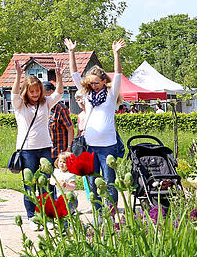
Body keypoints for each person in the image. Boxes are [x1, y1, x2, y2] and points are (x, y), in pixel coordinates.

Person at [67, 37, 126, 211]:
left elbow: (118, 75)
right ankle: (98, 211)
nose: (93, 86)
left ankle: (112, 212)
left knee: (109, 181)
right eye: (91, 83)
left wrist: (116, 54)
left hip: (108, 146)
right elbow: (74, 74)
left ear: (104, 81)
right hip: (90, 145)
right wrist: (71, 52)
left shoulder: (111, 94)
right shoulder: (87, 95)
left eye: (96, 83)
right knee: (92, 181)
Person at [10, 59, 64, 225]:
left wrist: (59, 77)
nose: (35, 94)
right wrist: (18, 75)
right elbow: (14, 94)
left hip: (45, 147)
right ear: (26, 91)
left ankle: (48, 215)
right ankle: (31, 216)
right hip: (27, 149)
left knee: (47, 183)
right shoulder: (20, 105)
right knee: (30, 184)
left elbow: (59, 93)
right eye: (31, 91)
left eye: (37, 91)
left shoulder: (45, 103)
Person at [45, 78, 73, 162]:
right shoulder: (43, 107)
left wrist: (69, 148)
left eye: (46, 93)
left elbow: (70, 128)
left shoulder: (61, 108)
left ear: (52, 92)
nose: (44, 96)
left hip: (59, 152)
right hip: (46, 151)